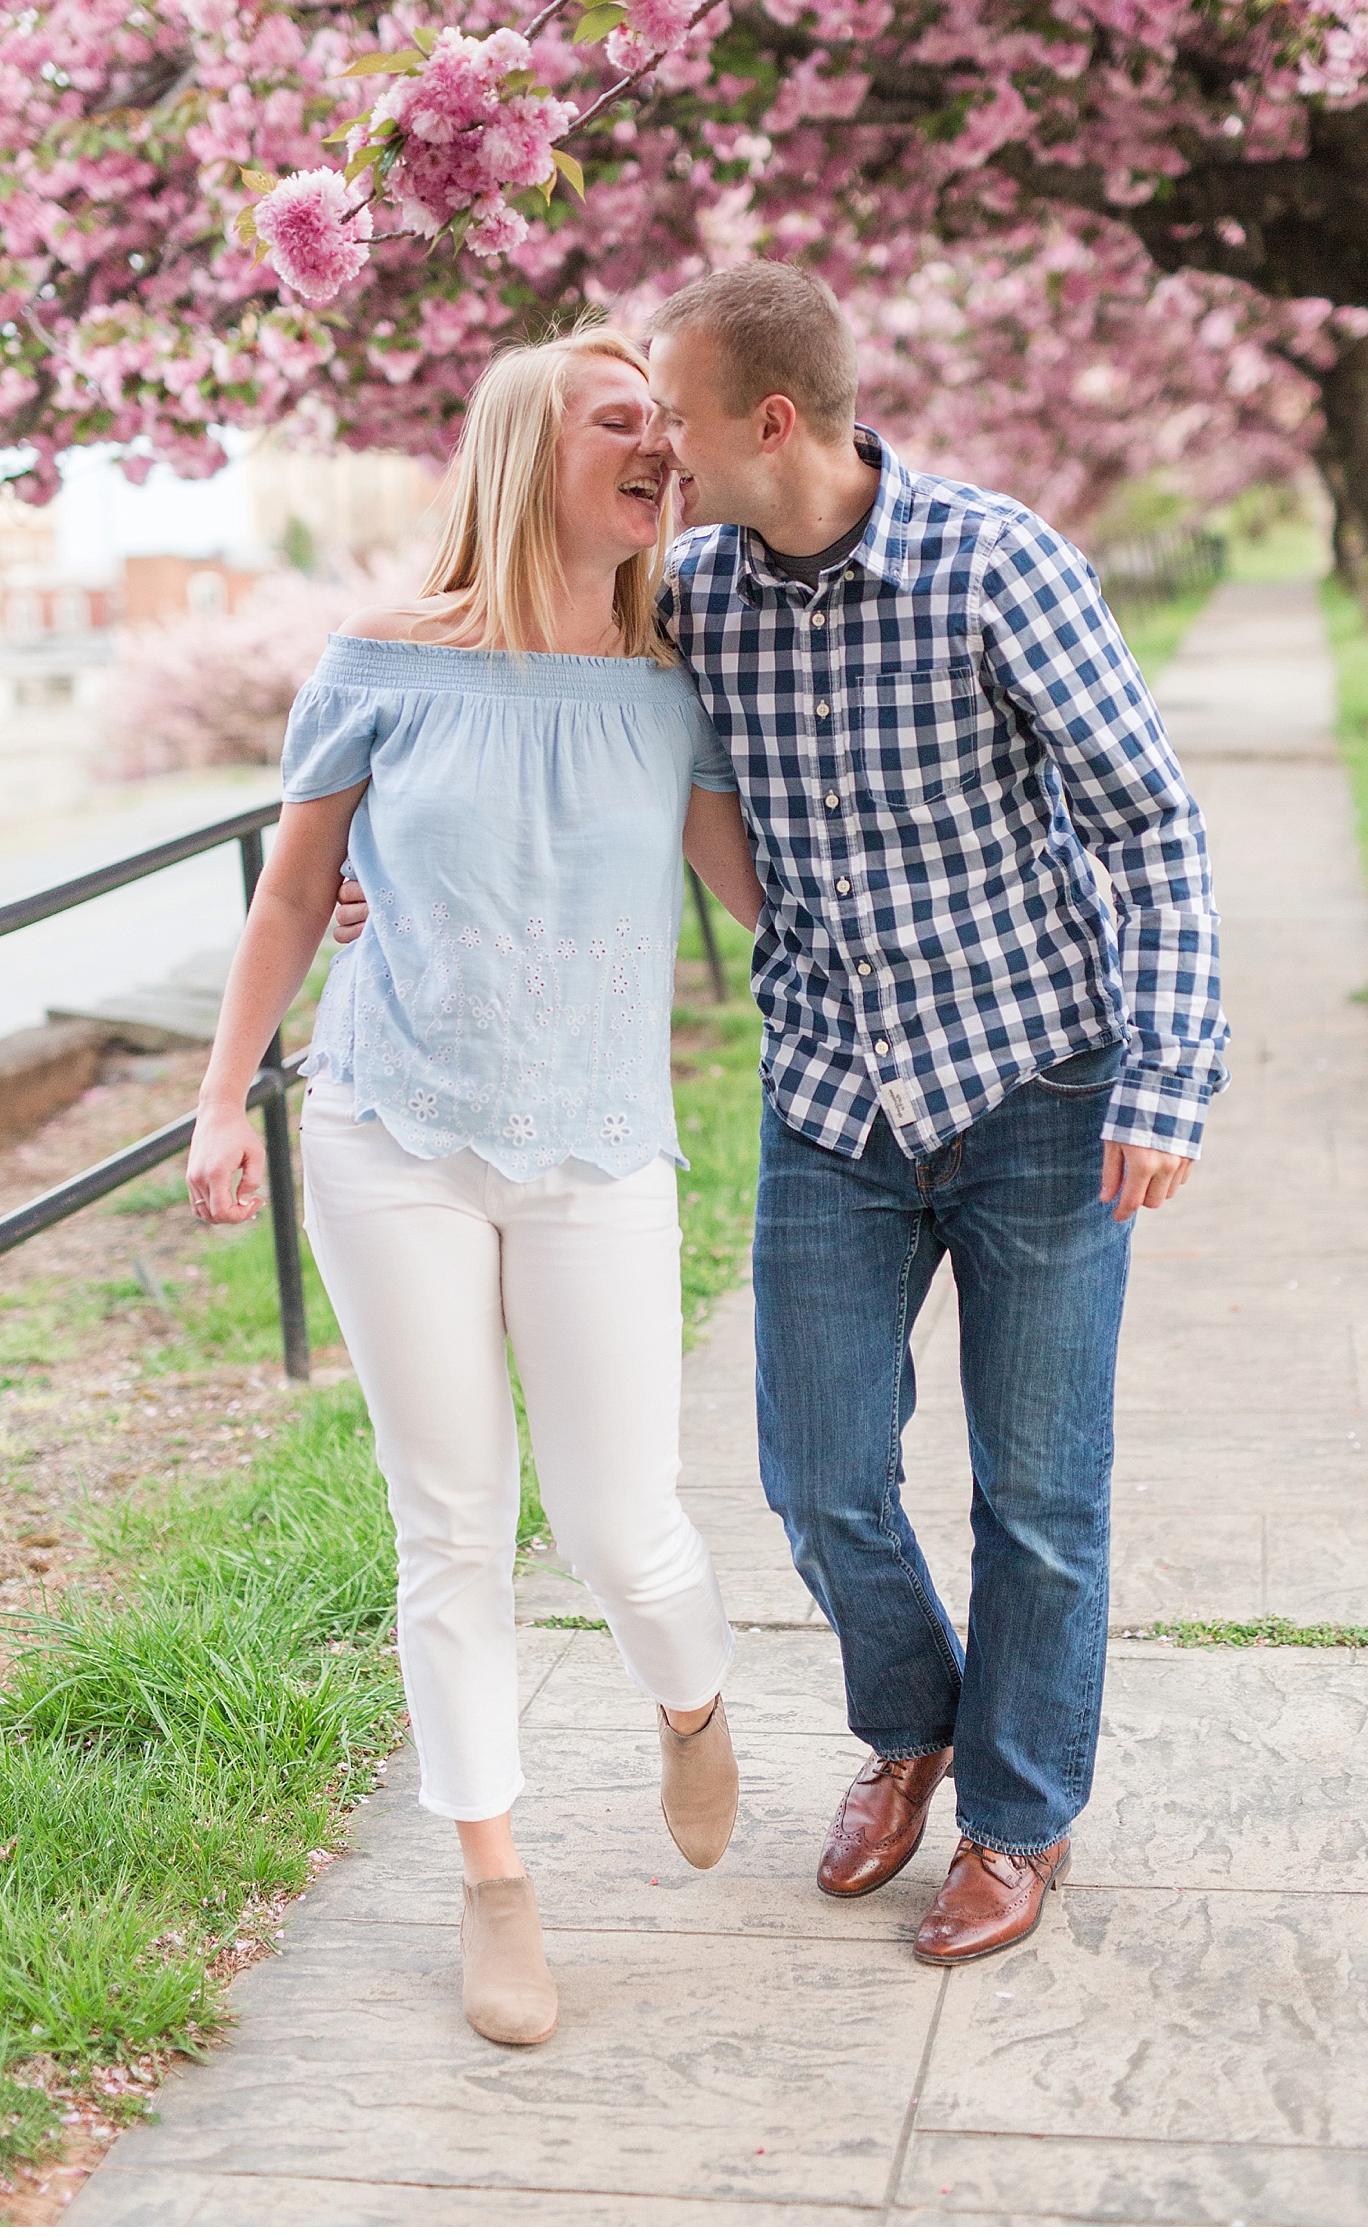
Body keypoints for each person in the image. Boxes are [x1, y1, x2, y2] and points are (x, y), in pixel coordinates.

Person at [337, 264, 1230, 1969]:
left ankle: (1013, 1816)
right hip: (834, 1094)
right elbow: (533, 742)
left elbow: (1156, 829)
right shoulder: (701, 606)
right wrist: (387, 889)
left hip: (1042, 1082)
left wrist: (1168, 1078)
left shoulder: (997, 564)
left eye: (671, 412)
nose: (655, 447)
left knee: (1041, 1492)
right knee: (815, 1475)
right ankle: (913, 1719)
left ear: (766, 421)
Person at [187, 326, 765, 2049]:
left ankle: (692, 1691)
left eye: (670, 427)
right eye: (623, 422)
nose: (660, 448)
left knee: (617, 1518)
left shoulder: (680, 680)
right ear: (530, 448)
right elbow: (296, 896)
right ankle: (496, 1885)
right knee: (448, 1523)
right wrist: (226, 1097)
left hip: (595, 1148)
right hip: (387, 1128)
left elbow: (757, 888)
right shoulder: (377, 657)